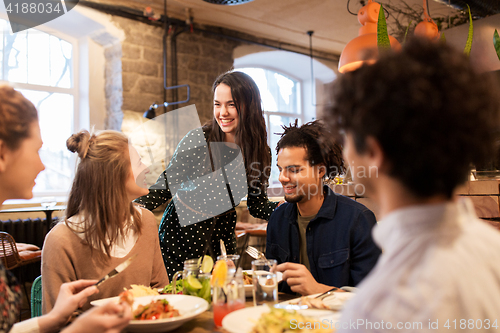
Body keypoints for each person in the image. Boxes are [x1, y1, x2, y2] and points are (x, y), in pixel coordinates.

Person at [328, 38, 500, 332]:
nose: (344, 152)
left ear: (373, 152)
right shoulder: (492, 250)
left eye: (346, 137)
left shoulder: (377, 309)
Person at [0, 85, 131, 333]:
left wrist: (51, 320)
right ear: (3, 153)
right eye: (37, 150)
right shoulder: (61, 239)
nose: (42, 166)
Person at [136, 71, 280, 279]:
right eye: (217, 104)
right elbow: (166, 185)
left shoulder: (260, 151)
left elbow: (257, 205)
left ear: (250, 105)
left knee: (223, 298)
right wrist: (131, 211)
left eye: (231, 104)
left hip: (222, 241)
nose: (223, 112)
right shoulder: (199, 139)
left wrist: (285, 208)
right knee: (183, 299)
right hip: (181, 239)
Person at [42, 130, 169, 313]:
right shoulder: (60, 241)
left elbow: (160, 292)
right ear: (114, 176)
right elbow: (58, 322)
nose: (146, 169)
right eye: (138, 163)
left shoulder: (146, 220)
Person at [266, 120, 381, 296]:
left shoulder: (358, 220)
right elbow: (271, 286)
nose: (282, 177)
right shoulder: (277, 220)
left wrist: (319, 290)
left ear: (320, 171)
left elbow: (373, 299)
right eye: (280, 169)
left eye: (294, 170)